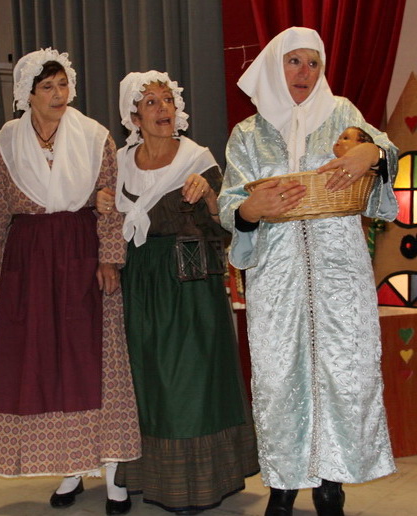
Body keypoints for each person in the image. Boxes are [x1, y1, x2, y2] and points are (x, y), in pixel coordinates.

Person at [218, 27, 397, 516]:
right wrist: (250, 209)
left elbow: (385, 152)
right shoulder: (248, 134)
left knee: (344, 373)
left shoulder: (343, 114)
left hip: (340, 271)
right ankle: (283, 484)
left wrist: (372, 153)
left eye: (313, 63)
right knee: (280, 380)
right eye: (294, 61)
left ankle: (331, 482)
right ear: (275, 66)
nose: (304, 73)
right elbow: (230, 201)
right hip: (277, 275)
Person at [0, 48, 140, 515]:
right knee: (45, 368)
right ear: (28, 94)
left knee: (94, 365)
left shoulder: (95, 138)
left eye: (63, 84)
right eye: (47, 87)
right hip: (28, 263)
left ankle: (112, 472)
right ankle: (70, 470)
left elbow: (111, 201)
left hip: (81, 255)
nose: (59, 94)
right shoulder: (2, 144)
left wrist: (110, 258)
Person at [97, 70, 259, 515]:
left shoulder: (197, 159)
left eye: (167, 100)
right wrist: (100, 205)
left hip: (188, 285)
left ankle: (195, 485)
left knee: (187, 381)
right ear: (134, 117)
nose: (162, 108)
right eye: (150, 102)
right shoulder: (119, 163)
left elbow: (228, 224)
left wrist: (209, 195)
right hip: (138, 283)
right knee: (146, 381)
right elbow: (106, 222)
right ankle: (147, 476)